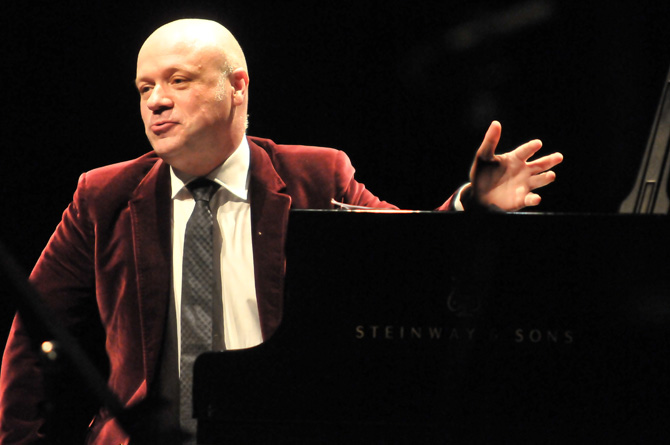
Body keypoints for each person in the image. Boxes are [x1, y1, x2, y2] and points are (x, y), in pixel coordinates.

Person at [0, 18, 563, 444]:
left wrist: (472, 206)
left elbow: (407, 257)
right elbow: (34, 330)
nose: (157, 101)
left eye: (178, 80)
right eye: (144, 88)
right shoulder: (104, 195)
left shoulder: (316, 176)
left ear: (237, 86)